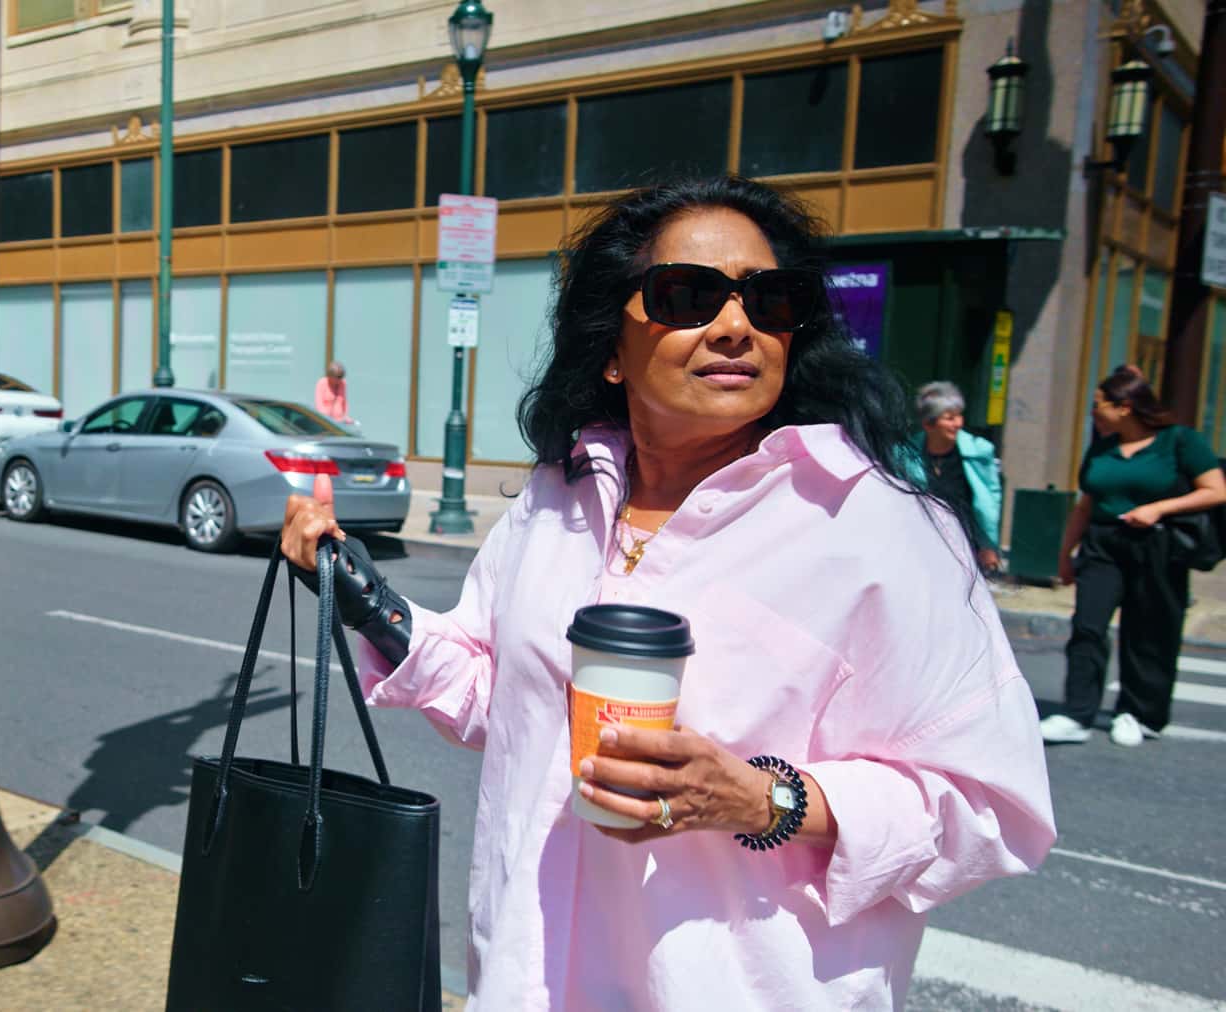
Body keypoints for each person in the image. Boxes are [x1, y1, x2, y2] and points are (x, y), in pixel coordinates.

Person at [280, 176, 1054, 1009]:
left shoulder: (876, 529)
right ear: (611, 347)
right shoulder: (559, 501)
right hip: (530, 980)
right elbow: (506, 703)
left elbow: (991, 807)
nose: (733, 327)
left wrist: (762, 798)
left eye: (770, 301)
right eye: (687, 295)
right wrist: (361, 596)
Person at [1042, 365, 1226, 747]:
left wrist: (1159, 508)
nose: (1093, 412)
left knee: (1149, 631)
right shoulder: (1102, 448)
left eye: (1098, 405)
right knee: (1088, 626)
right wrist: (1065, 553)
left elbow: (1215, 490)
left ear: (1124, 406)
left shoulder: (1180, 441)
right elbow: (1086, 504)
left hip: (1156, 544)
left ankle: (1138, 714)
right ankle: (1077, 713)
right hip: (1102, 543)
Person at [906, 381, 1003, 571]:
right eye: (950, 418)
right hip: (920, 543)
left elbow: (989, 503)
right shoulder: (907, 455)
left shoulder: (979, 451)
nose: (957, 423)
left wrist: (988, 545)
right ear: (928, 424)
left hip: (965, 544)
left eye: (959, 416)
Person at [313, 360, 354, 426]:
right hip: (326, 422)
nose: (340, 379)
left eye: (342, 376)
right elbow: (319, 405)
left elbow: (344, 402)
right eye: (338, 377)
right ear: (330, 375)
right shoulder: (322, 383)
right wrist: (329, 419)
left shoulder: (343, 383)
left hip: (340, 422)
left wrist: (346, 416)